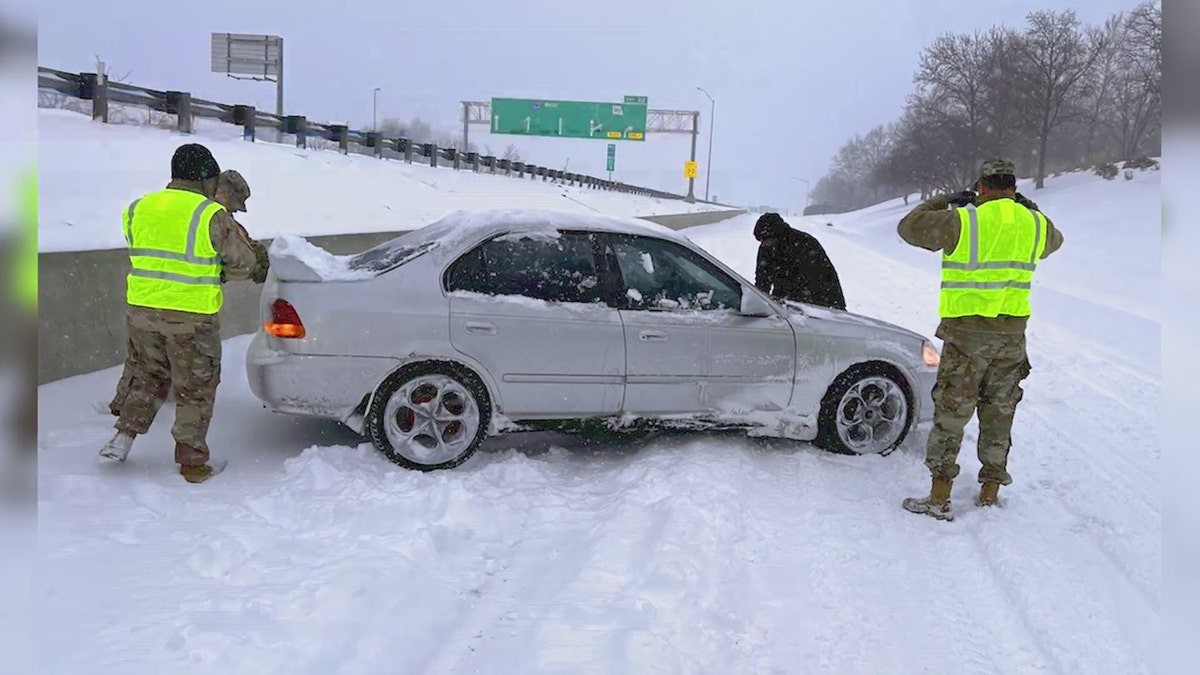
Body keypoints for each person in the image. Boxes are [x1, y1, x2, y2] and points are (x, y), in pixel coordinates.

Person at [898, 158, 1064, 520]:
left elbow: (908, 228)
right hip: (1011, 337)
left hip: (966, 336)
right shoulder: (1034, 224)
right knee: (999, 413)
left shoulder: (963, 220)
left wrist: (943, 201)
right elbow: (1056, 239)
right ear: (1014, 188)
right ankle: (990, 491)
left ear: (981, 187)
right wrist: (1029, 209)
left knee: (952, 414)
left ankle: (939, 496)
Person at [98, 144, 260, 483]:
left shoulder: (138, 208)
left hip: (142, 312)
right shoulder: (209, 214)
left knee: (146, 375)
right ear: (204, 177)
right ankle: (192, 461)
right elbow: (243, 264)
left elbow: (149, 252)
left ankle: (123, 435)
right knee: (195, 387)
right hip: (191, 318)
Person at [106, 169, 269, 417]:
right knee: (187, 369)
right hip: (184, 304)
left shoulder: (175, 208)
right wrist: (259, 265)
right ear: (221, 191)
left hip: (145, 300)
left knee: (143, 361)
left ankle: (125, 407)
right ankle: (140, 413)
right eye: (234, 205)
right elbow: (240, 257)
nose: (234, 211)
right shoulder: (210, 215)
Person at [753, 212, 846, 310]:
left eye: (765, 240)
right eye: (760, 241)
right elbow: (762, 279)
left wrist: (837, 306)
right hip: (786, 302)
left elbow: (822, 277)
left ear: (776, 235)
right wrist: (759, 303)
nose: (763, 244)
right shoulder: (765, 249)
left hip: (818, 302)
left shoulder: (805, 243)